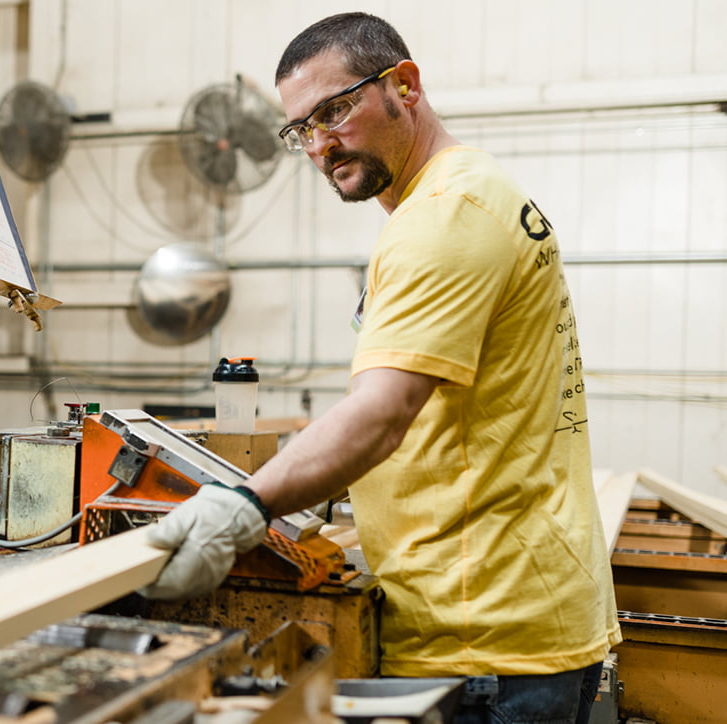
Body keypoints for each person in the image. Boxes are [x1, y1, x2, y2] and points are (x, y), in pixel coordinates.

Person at [140, 12, 620, 724]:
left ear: (405, 85)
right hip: (518, 612)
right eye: (301, 128)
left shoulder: (442, 216)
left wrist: (245, 505)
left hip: (482, 635)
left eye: (336, 110)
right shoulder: (472, 192)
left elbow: (383, 413)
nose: (319, 144)